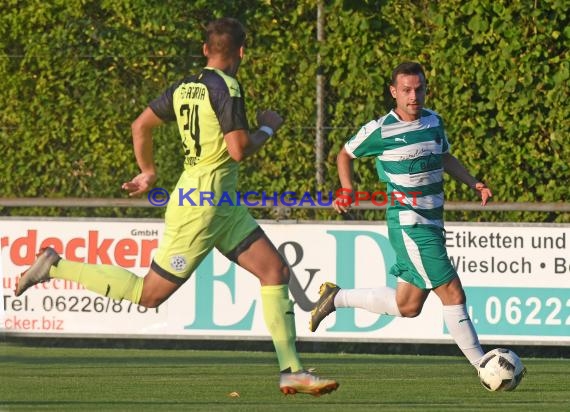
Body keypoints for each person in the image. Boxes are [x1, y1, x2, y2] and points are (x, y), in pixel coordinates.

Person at [15, 17, 338, 397]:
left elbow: (141, 125)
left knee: (274, 270)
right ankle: (56, 265)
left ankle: (292, 371)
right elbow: (238, 150)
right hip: (203, 208)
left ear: (205, 50)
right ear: (241, 52)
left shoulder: (185, 87)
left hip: (220, 203)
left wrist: (147, 171)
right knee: (149, 295)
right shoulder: (228, 87)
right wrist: (267, 127)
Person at [310, 62, 492, 370]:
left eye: (419, 88)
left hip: (433, 221)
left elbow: (444, 156)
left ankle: (336, 297)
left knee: (407, 306)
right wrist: (347, 189)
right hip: (410, 222)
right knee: (451, 289)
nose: (413, 96)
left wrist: (473, 182)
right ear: (394, 92)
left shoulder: (434, 121)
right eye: (406, 90)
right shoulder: (380, 129)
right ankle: (484, 366)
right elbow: (345, 154)